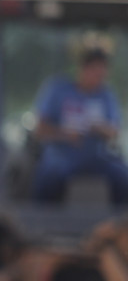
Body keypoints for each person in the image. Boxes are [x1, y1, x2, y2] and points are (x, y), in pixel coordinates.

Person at [31, 36, 128, 205]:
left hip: (97, 156)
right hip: (61, 155)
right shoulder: (57, 89)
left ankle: (118, 224)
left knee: (122, 175)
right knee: (49, 174)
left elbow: (115, 130)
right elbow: (39, 130)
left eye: (103, 74)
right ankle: (41, 222)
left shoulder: (106, 95)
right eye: (96, 72)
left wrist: (99, 128)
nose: (100, 78)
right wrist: (65, 134)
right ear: (83, 69)